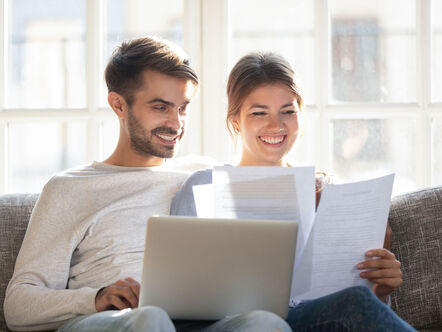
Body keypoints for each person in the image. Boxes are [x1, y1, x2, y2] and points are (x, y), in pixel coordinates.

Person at [4, 38, 291, 332]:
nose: (176, 123)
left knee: (264, 322)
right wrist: (97, 298)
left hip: (199, 322)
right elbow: (18, 305)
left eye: (183, 108)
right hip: (110, 321)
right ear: (118, 105)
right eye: (160, 107)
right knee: (151, 319)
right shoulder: (70, 189)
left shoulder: (204, 176)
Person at [171, 52, 415, 331]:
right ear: (235, 121)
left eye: (288, 112)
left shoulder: (328, 190)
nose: (276, 125)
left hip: (315, 320)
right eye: (259, 113)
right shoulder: (202, 186)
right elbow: (180, 295)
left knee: (355, 300)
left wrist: (381, 288)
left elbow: (358, 310)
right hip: (237, 324)